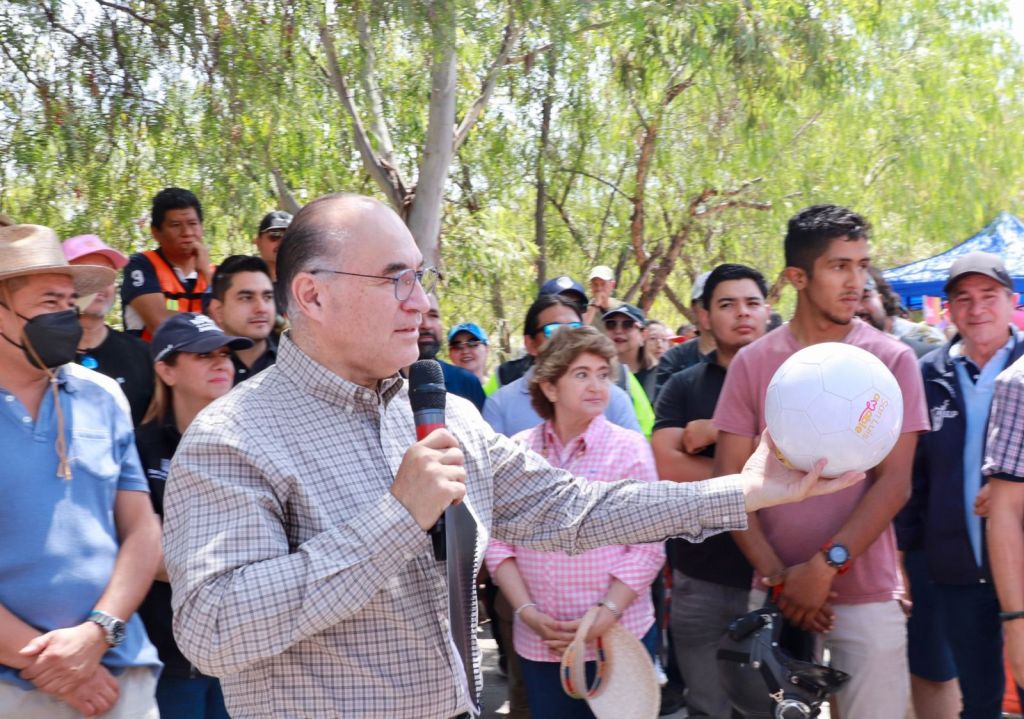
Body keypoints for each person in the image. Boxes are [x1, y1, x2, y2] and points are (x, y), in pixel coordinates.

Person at [159, 192, 865, 719]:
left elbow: (574, 507)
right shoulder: (233, 439)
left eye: (422, 275)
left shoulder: (444, 414)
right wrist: (397, 517)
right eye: (395, 278)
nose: (421, 302)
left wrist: (743, 491)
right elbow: (217, 630)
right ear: (312, 293)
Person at [712, 205, 930, 718]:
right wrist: (779, 577)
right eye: (839, 266)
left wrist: (826, 565)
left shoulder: (893, 360)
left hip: (866, 595)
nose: (856, 280)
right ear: (797, 277)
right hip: (771, 595)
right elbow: (729, 483)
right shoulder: (752, 362)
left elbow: (894, 484)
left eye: (861, 264)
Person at [0, 224, 162, 718]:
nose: (68, 317)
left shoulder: (102, 396)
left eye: (71, 301)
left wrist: (97, 635)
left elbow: (141, 531)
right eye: (51, 302)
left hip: (121, 674)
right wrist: (51, 664)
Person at [485, 326, 664, 718]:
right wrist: (527, 612)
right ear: (550, 388)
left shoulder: (629, 449)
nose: (597, 385)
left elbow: (649, 547)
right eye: (581, 374)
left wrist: (606, 614)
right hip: (541, 644)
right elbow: (498, 543)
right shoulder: (518, 453)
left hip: (619, 636)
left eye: (603, 373)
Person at [895, 251, 1021, 719]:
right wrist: (908, 553)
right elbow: (915, 475)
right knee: (979, 697)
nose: (977, 309)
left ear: (1011, 302)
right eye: (963, 299)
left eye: (989, 296)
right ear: (948, 309)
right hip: (954, 565)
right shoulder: (930, 374)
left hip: (1022, 564)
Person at [652, 263, 770, 718]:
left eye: (752, 303)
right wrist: (751, 458)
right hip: (698, 572)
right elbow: (666, 463)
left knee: (770, 705)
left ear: (767, 311)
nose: (742, 313)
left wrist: (712, 433)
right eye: (727, 304)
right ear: (703, 316)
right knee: (706, 705)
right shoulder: (683, 385)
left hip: (776, 575)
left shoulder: (796, 378)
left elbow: (803, 457)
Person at [136, 313, 252, 718]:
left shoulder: (253, 445)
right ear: (166, 369)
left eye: (224, 353)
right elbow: (144, 554)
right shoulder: (140, 446)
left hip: (243, 658)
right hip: (165, 659)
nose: (222, 363)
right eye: (204, 355)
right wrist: (232, 558)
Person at [484, 294, 640, 437]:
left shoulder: (614, 398)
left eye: (575, 329)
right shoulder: (500, 405)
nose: (567, 340)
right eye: (554, 330)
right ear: (530, 344)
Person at [63, 234, 154, 426]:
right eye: (89, 274)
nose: (100, 285)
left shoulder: (143, 354)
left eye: (107, 274)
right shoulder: (40, 356)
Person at [122, 187, 213, 339]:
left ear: (202, 227)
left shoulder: (214, 272)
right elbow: (160, 324)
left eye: (193, 223)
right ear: (156, 232)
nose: (187, 232)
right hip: (150, 360)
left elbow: (232, 321)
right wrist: (210, 322)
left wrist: (206, 272)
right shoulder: (142, 265)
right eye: (176, 225)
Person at [483, 276, 590, 395]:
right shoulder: (505, 376)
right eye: (555, 329)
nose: (568, 310)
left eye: (579, 305)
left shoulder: (600, 378)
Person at [207, 254, 278, 384]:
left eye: (267, 297)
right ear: (218, 311)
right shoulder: (202, 371)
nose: (261, 308)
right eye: (246, 298)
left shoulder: (296, 363)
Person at [417, 294, 486, 411]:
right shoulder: (381, 382)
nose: (426, 325)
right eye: (416, 314)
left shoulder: (467, 383)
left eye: (433, 315)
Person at [856, 267, 939, 358]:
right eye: (847, 300)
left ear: (881, 299)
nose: (857, 308)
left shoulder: (923, 340)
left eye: (865, 297)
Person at [655, 271, 716, 392]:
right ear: (694, 308)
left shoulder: (747, 357)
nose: (711, 309)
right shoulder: (673, 360)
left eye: (722, 303)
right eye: (705, 302)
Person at [603, 302, 658, 403]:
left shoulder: (659, 376)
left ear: (643, 335)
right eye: (611, 324)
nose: (618, 330)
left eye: (627, 324)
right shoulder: (599, 374)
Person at [254, 210, 292, 282]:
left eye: (289, 236)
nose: (282, 242)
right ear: (258, 242)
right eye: (275, 235)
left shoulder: (308, 285)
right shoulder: (243, 283)